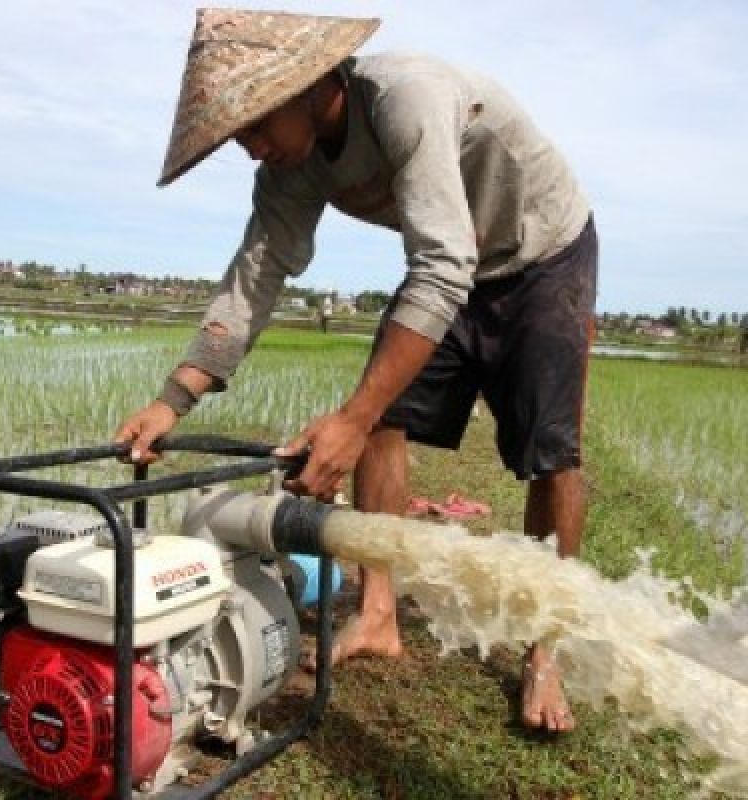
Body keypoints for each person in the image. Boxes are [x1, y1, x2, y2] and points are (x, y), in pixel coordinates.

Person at [116, 8, 597, 734]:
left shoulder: (407, 98)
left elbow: (441, 266)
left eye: (254, 125)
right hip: (452, 264)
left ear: (310, 84)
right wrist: (174, 398)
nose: (251, 149)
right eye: (236, 135)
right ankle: (378, 614)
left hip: (539, 253)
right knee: (384, 421)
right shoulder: (290, 164)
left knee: (551, 453)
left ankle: (544, 648)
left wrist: (354, 413)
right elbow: (258, 271)